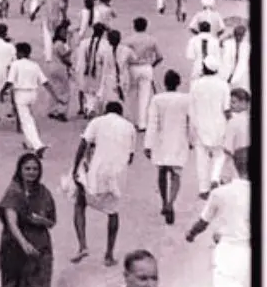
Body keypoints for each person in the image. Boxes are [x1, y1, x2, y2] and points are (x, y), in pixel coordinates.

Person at [184, 148, 249, 287]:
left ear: (235, 166)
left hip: (231, 254)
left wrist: (191, 234)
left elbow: (203, 222)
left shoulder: (222, 193)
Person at [0, 153, 62, 287]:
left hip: (40, 248)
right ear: (20, 170)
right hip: (15, 248)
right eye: (27, 169)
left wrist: (41, 221)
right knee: (12, 285)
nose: (31, 173)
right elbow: (11, 222)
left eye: (35, 169)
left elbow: (52, 221)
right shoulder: (13, 192)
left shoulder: (43, 193)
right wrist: (23, 243)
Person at [71, 101, 137, 267]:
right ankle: (109, 254)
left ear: (106, 111)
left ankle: (83, 245)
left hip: (97, 171)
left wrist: (75, 167)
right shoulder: (129, 127)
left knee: (80, 202)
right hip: (118, 174)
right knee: (113, 212)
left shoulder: (97, 122)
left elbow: (83, 144)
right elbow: (130, 157)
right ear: (120, 113)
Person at [0, 42, 64, 158]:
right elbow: (45, 82)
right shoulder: (34, 65)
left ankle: (37, 145)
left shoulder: (16, 64)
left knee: (26, 121)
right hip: (33, 94)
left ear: (21, 53)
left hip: (20, 93)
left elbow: (10, 82)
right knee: (29, 117)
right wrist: (56, 96)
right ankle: (29, 142)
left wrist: (1, 92)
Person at [143, 70, 191, 225]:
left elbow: (152, 123)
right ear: (178, 83)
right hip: (178, 139)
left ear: (164, 83)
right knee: (176, 174)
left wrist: (148, 144)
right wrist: (192, 140)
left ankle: (164, 202)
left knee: (162, 172)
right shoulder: (186, 99)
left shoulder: (157, 99)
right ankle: (171, 202)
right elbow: (192, 121)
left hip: (161, 140)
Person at [188, 55, 230, 199]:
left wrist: (191, 128)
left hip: (200, 125)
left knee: (201, 158)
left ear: (204, 68)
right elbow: (226, 108)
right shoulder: (223, 85)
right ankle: (215, 178)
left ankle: (203, 189)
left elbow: (191, 108)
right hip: (219, 124)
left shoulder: (195, 85)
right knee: (220, 154)